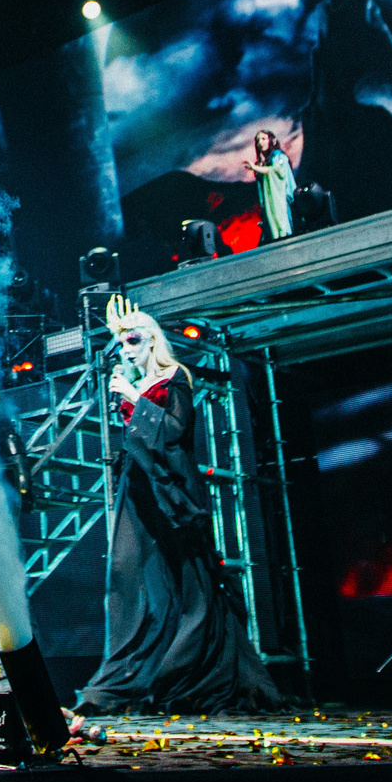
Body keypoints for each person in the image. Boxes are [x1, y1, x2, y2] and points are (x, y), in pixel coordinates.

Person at [73, 301, 285, 714]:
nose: (125, 349)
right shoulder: (133, 381)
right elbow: (138, 440)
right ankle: (126, 679)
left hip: (171, 490)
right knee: (129, 578)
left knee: (190, 583)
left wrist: (134, 395)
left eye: (132, 339)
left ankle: (189, 675)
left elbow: (173, 432)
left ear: (153, 339)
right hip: (140, 487)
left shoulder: (175, 378)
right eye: (120, 342)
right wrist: (130, 395)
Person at [246, 128, 296, 240]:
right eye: (258, 140)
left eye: (263, 139)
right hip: (269, 204)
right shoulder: (261, 163)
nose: (260, 142)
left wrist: (256, 168)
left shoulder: (278, 156)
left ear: (271, 140)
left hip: (282, 201)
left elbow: (277, 171)